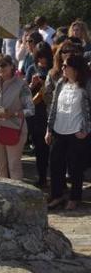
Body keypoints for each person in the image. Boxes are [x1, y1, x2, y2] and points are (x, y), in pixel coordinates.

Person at [46, 54, 91, 210]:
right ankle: (57, 195)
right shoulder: (60, 83)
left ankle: (75, 197)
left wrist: (86, 129)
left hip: (77, 132)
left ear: (76, 69)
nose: (62, 68)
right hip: (59, 130)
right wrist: (49, 129)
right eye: (63, 65)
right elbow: (53, 108)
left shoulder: (86, 84)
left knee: (75, 167)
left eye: (66, 66)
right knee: (55, 164)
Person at [0, 54, 33, 180]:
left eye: (3, 65)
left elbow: (31, 110)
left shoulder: (22, 85)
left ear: (11, 66)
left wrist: (13, 113)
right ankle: (1, 197)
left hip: (15, 129)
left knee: (14, 167)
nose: (0, 68)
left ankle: (19, 198)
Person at [25, 45, 52, 188]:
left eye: (45, 56)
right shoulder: (31, 68)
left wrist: (46, 84)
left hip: (50, 112)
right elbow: (25, 94)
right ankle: (42, 177)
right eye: (40, 56)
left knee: (52, 149)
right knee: (39, 148)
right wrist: (32, 84)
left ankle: (58, 181)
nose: (43, 59)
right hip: (36, 114)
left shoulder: (54, 69)